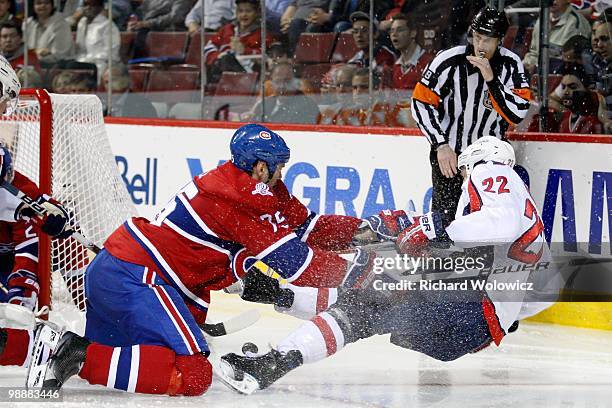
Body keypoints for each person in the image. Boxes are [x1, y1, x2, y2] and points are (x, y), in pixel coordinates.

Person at [27, 123, 382, 396]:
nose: (281, 173)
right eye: (278, 166)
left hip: (126, 270)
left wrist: (363, 232)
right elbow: (295, 261)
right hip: (141, 278)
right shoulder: (236, 198)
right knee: (194, 376)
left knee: (141, 358)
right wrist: (363, 275)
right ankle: (76, 353)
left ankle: (53, 350)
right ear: (260, 167)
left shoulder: (251, 187)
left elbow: (305, 227)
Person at [217, 137, 563, 395]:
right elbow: (531, 280)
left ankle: (275, 361)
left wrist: (433, 230)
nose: (463, 177)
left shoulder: (491, 170)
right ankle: (273, 294)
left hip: (469, 312)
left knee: (361, 305)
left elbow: (497, 224)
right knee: (369, 295)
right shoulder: (523, 204)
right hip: (475, 324)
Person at [411, 7, 531, 222]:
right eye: (477, 38)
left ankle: (478, 256)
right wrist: (440, 145)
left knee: (483, 226)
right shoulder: (448, 60)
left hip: (489, 159)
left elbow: (517, 114)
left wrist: (491, 81)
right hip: (450, 154)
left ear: (500, 40)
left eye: (487, 40)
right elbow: (420, 103)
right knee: (444, 225)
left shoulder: (511, 64)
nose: (480, 46)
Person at [204, 0, 277, 83]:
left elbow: (267, 58)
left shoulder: (263, 34)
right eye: (240, 11)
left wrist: (244, 51)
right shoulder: (226, 29)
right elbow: (208, 48)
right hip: (219, 69)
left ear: (257, 13)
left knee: (227, 59)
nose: (244, 15)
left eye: (248, 11)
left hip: (247, 78)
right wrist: (219, 56)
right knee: (223, 60)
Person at [522, 0, 591, 74]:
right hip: (539, 71)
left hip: (562, 75)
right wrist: (523, 65)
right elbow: (534, 53)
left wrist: (537, 68)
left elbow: (570, 62)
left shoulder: (575, 23)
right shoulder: (542, 19)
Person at [73, 0, 120, 83]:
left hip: (100, 64)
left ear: (100, 8)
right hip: (81, 62)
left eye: (92, 5)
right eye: (85, 5)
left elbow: (112, 54)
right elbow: (79, 49)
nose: (88, 8)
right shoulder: (82, 23)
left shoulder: (108, 25)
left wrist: (88, 59)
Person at [389, 13, 434, 90]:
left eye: (400, 30)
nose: (394, 34)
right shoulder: (395, 68)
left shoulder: (429, 63)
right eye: (392, 31)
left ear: (413, 33)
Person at [24, 0, 74, 65]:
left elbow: (60, 54)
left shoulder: (61, 24)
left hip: (57, 66)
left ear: (52, 5)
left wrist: (36, 55)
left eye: (47, 3)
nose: (43, 6)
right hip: (31, 65)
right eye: (39, 3)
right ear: (33, 6)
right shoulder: (28, 23)